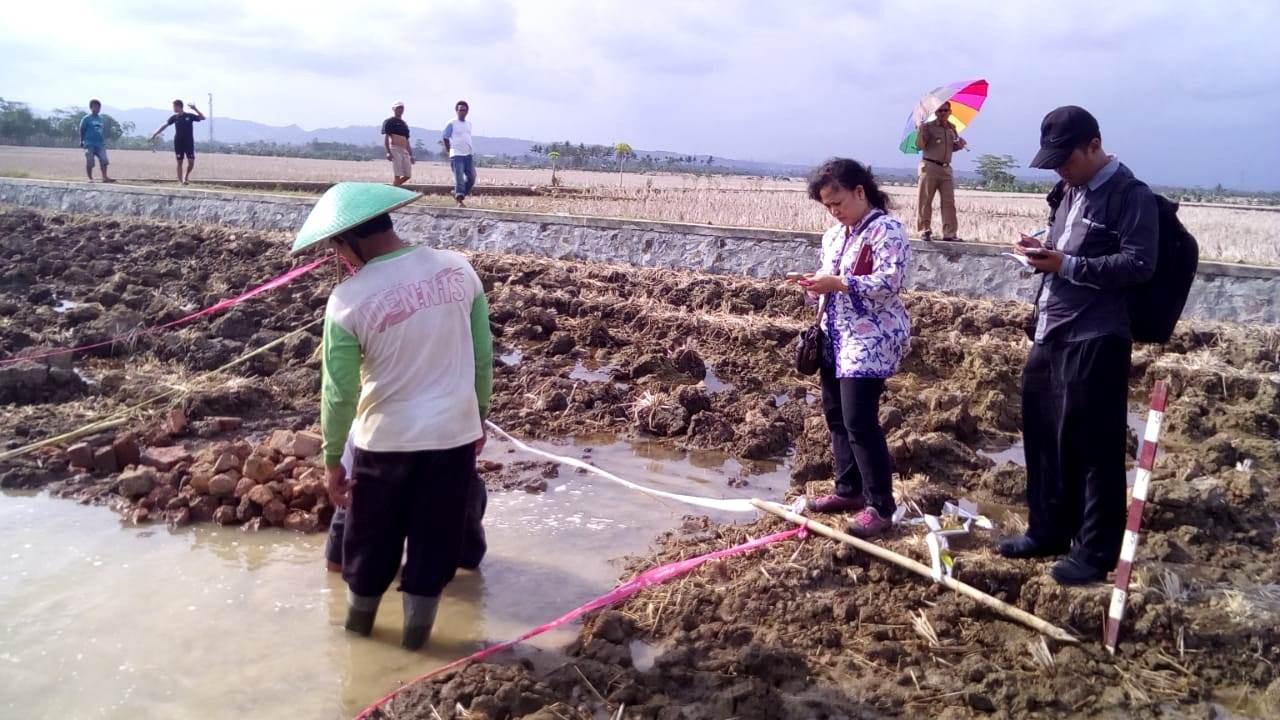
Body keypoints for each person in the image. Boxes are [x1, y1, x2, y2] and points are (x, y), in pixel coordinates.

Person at [291, 182, 493, 650]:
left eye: (336, 249)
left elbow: (339, 394)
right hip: (453, 438)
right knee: (434, 543)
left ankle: (359, 640)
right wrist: (478, 418)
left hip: (385, 446)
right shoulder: (460, 271)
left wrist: (332, 461)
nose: (339, 259)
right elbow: (483, 357)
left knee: (369, 545)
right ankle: (416, 646)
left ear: (347, 241)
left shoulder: (346, 300)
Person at [999, 106, 1158, 586]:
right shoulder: (1067, 191)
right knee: (1043, 435)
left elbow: (1138, 265)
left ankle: (1094, 552)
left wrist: (1064, 264)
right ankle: (1047, 530)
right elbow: (1064, 243)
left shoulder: (1130, 196)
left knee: (1093, 445)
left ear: (1094, 145)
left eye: (1065, 160)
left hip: (1097, 334)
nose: (1059, 170)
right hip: (1052, 328)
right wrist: (1038, 249)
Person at [789, 159, 912, 539]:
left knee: (860, 419)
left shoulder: (887, 230)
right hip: (834, 335)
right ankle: (849, 490)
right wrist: (814, 286)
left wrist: (839, 283)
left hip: (870, 338)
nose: (834, 211)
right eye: (827, 206)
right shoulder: (833, 235)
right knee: (836, 416)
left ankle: (881, 505)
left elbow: (890, 281)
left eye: (838, 202)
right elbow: (829, 283)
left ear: (860, 192)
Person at [915, 101, 966, 242]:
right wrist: (920, 130)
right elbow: (919, 146)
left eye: (945, 110)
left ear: (950, 112)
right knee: (925, 200)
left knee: (949, 202)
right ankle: (924, 230)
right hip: (929, 166)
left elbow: (951, 148)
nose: (943, 113)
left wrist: (959, 146)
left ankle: (949, 233)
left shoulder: (952, 128)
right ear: (935, 113)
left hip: (946, 169)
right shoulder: (928, 127)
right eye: (940, 111)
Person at [149, 99, 205, 185]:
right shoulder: (174, 117)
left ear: (179, 106)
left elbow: (202, 118)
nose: (173, 108)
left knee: (191, 162)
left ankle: (186, 176)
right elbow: (164, 125)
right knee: (179, 162)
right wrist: (155, 134)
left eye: (174, 106)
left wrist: (195, 109)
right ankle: (181, 181)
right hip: (178, 142)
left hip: (189, 142)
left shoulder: (189, 116)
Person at [442, 100, 475, 206]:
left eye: (464, 110)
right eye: (460, 110)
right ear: (456, 111)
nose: (462, 112)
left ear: (467, 111)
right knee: (459, 178)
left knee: (472, 178)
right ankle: (460, 200)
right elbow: (445, 137)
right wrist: (449, 150)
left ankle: (457, 194)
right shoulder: (451, 123)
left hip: (468, 154)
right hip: (456, 155)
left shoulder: (469, 124)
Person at [79, 100, 114, 183]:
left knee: (104, 160)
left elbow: (101, 131)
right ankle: (90, 178)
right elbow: (81, 129)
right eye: (95, 107)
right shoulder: (86, 119)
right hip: (89, 143)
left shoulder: (101, 119)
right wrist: (82, 140)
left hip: (100, 144)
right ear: (91, 108)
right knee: (90, 161)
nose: (97, 109)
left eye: (99, 107)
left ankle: (104, 177)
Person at [382, 102, 413, 187]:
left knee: (408, 175)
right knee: (397, 173)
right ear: (394, 109)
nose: (400, 110)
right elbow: (386, 138)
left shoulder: (404, 124)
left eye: (402, 108)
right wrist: (388, 152)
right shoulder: (389, 121)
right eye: (398, 108)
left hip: (404, 150)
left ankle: (393, 187)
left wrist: (411, 155)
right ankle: (395, 189)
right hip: (395, 149)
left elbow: (407, 140)